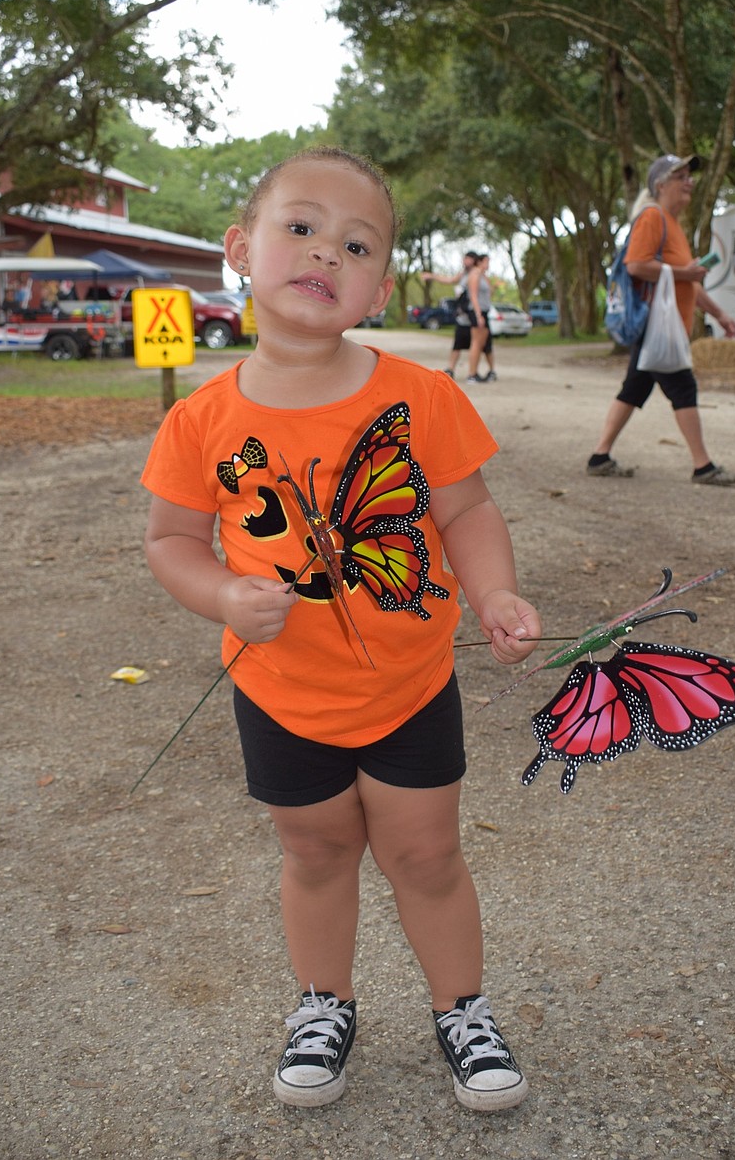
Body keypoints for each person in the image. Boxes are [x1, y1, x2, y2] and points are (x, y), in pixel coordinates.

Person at [141, 146, 542, 1113]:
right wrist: (222, 597)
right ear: (242, 249)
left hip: (406, 684)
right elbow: (170, 541)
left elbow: (468, 513)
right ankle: (323, 1003)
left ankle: (463, 1009)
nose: (327, 252)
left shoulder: (420, 397)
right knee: (315, 850)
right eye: (303, 227)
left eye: (356, 245)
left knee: (427, 855)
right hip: (279, 690)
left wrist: (493, 592)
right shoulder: (200, 420)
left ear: (379, 287)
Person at [587, 154, 735, 485]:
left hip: (663, 327)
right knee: (683, 387)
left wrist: (719, 313)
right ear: (660, 185)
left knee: (634, 389)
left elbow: (686, 282)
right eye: (681, 176)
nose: (690, 182)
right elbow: (636, 264)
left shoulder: (674, 225)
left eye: (690, 175)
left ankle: (599, 456)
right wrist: (684, 271)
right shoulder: (653, 217)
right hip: (658, 325)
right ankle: (703, 466)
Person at [421, 252, 493, 380]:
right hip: (469, 314)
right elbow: (467, 291)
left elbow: (487, 292)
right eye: (464, 259)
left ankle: (482, 371)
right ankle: (463, 371)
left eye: (468, 259)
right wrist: (432, 276)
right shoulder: (469, 275)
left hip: (477, 312)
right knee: (463, 343)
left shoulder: (480, 275)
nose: (465, 261)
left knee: (483, 343)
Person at [464, 254, 496, 383]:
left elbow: (488, 294)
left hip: (484, 311)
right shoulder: (474, 275)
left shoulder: (483, 276)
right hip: (477, 312)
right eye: (486, 261)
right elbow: (473, 296)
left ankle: (475, 372)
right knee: (476, 343)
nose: (488, 264)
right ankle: (471, 374)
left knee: (482, 343)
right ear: (480, 262)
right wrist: (478, 315)